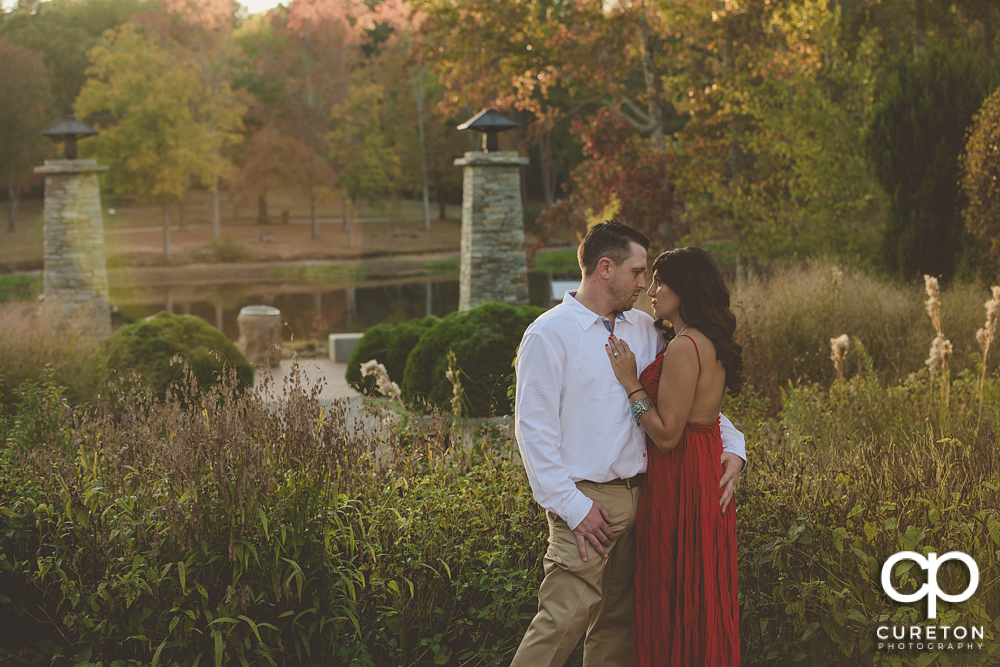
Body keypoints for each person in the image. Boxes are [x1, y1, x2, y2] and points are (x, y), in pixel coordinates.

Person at [511, 222, 746, 667]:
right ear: (605, 268)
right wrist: (575, 508)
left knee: (618, 630)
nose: (645, 284)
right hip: (587, 503)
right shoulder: (548, 335)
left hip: (647, 496)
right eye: (639, 271)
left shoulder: (645, 329)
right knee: (560, 622)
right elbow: (533, 434)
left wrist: (734, 443)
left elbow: (686, 400)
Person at [605, 246, 744, 666]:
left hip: (682, 474)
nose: (651, 289)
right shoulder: (706, 341)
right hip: (701, 466)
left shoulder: (687, 346)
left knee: (674, 583)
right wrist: (736, 447)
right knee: (700, 586)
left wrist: (631, 383)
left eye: (661, 281)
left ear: (684, 289)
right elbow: (710, 417)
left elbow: (667, 435)